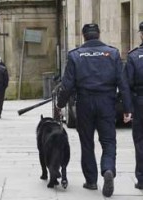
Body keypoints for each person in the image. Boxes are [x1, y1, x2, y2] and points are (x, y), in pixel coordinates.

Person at [56, 23, 132, 197]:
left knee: (87, 142)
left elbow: (67, 86)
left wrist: (60, 104)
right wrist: (127, 108)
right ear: (98, 34)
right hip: (107, 102)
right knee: (108, 141)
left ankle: (91, 181)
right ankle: (108, 169)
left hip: (85, 103)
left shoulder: (75, 55)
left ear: (83, 36)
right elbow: (123, 83)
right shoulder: (112, 53)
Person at [124, 21, 143, 189]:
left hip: (140, 102)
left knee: (140, 140)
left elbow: (127, 85)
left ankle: (142, 179)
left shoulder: (134, 56)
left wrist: (127, 108)